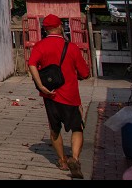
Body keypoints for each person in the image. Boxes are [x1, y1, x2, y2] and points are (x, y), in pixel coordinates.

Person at [27, 14, 90, 179]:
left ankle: (62, 160)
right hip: (70, 95)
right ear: (61, 26)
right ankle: (74, 158)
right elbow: (84, 73)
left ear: (45, 28)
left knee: (54, 129)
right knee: (77, 128)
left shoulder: (40, 46)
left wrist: (41, 85)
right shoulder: (72, 47)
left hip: (50, 95)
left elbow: (32, 63)